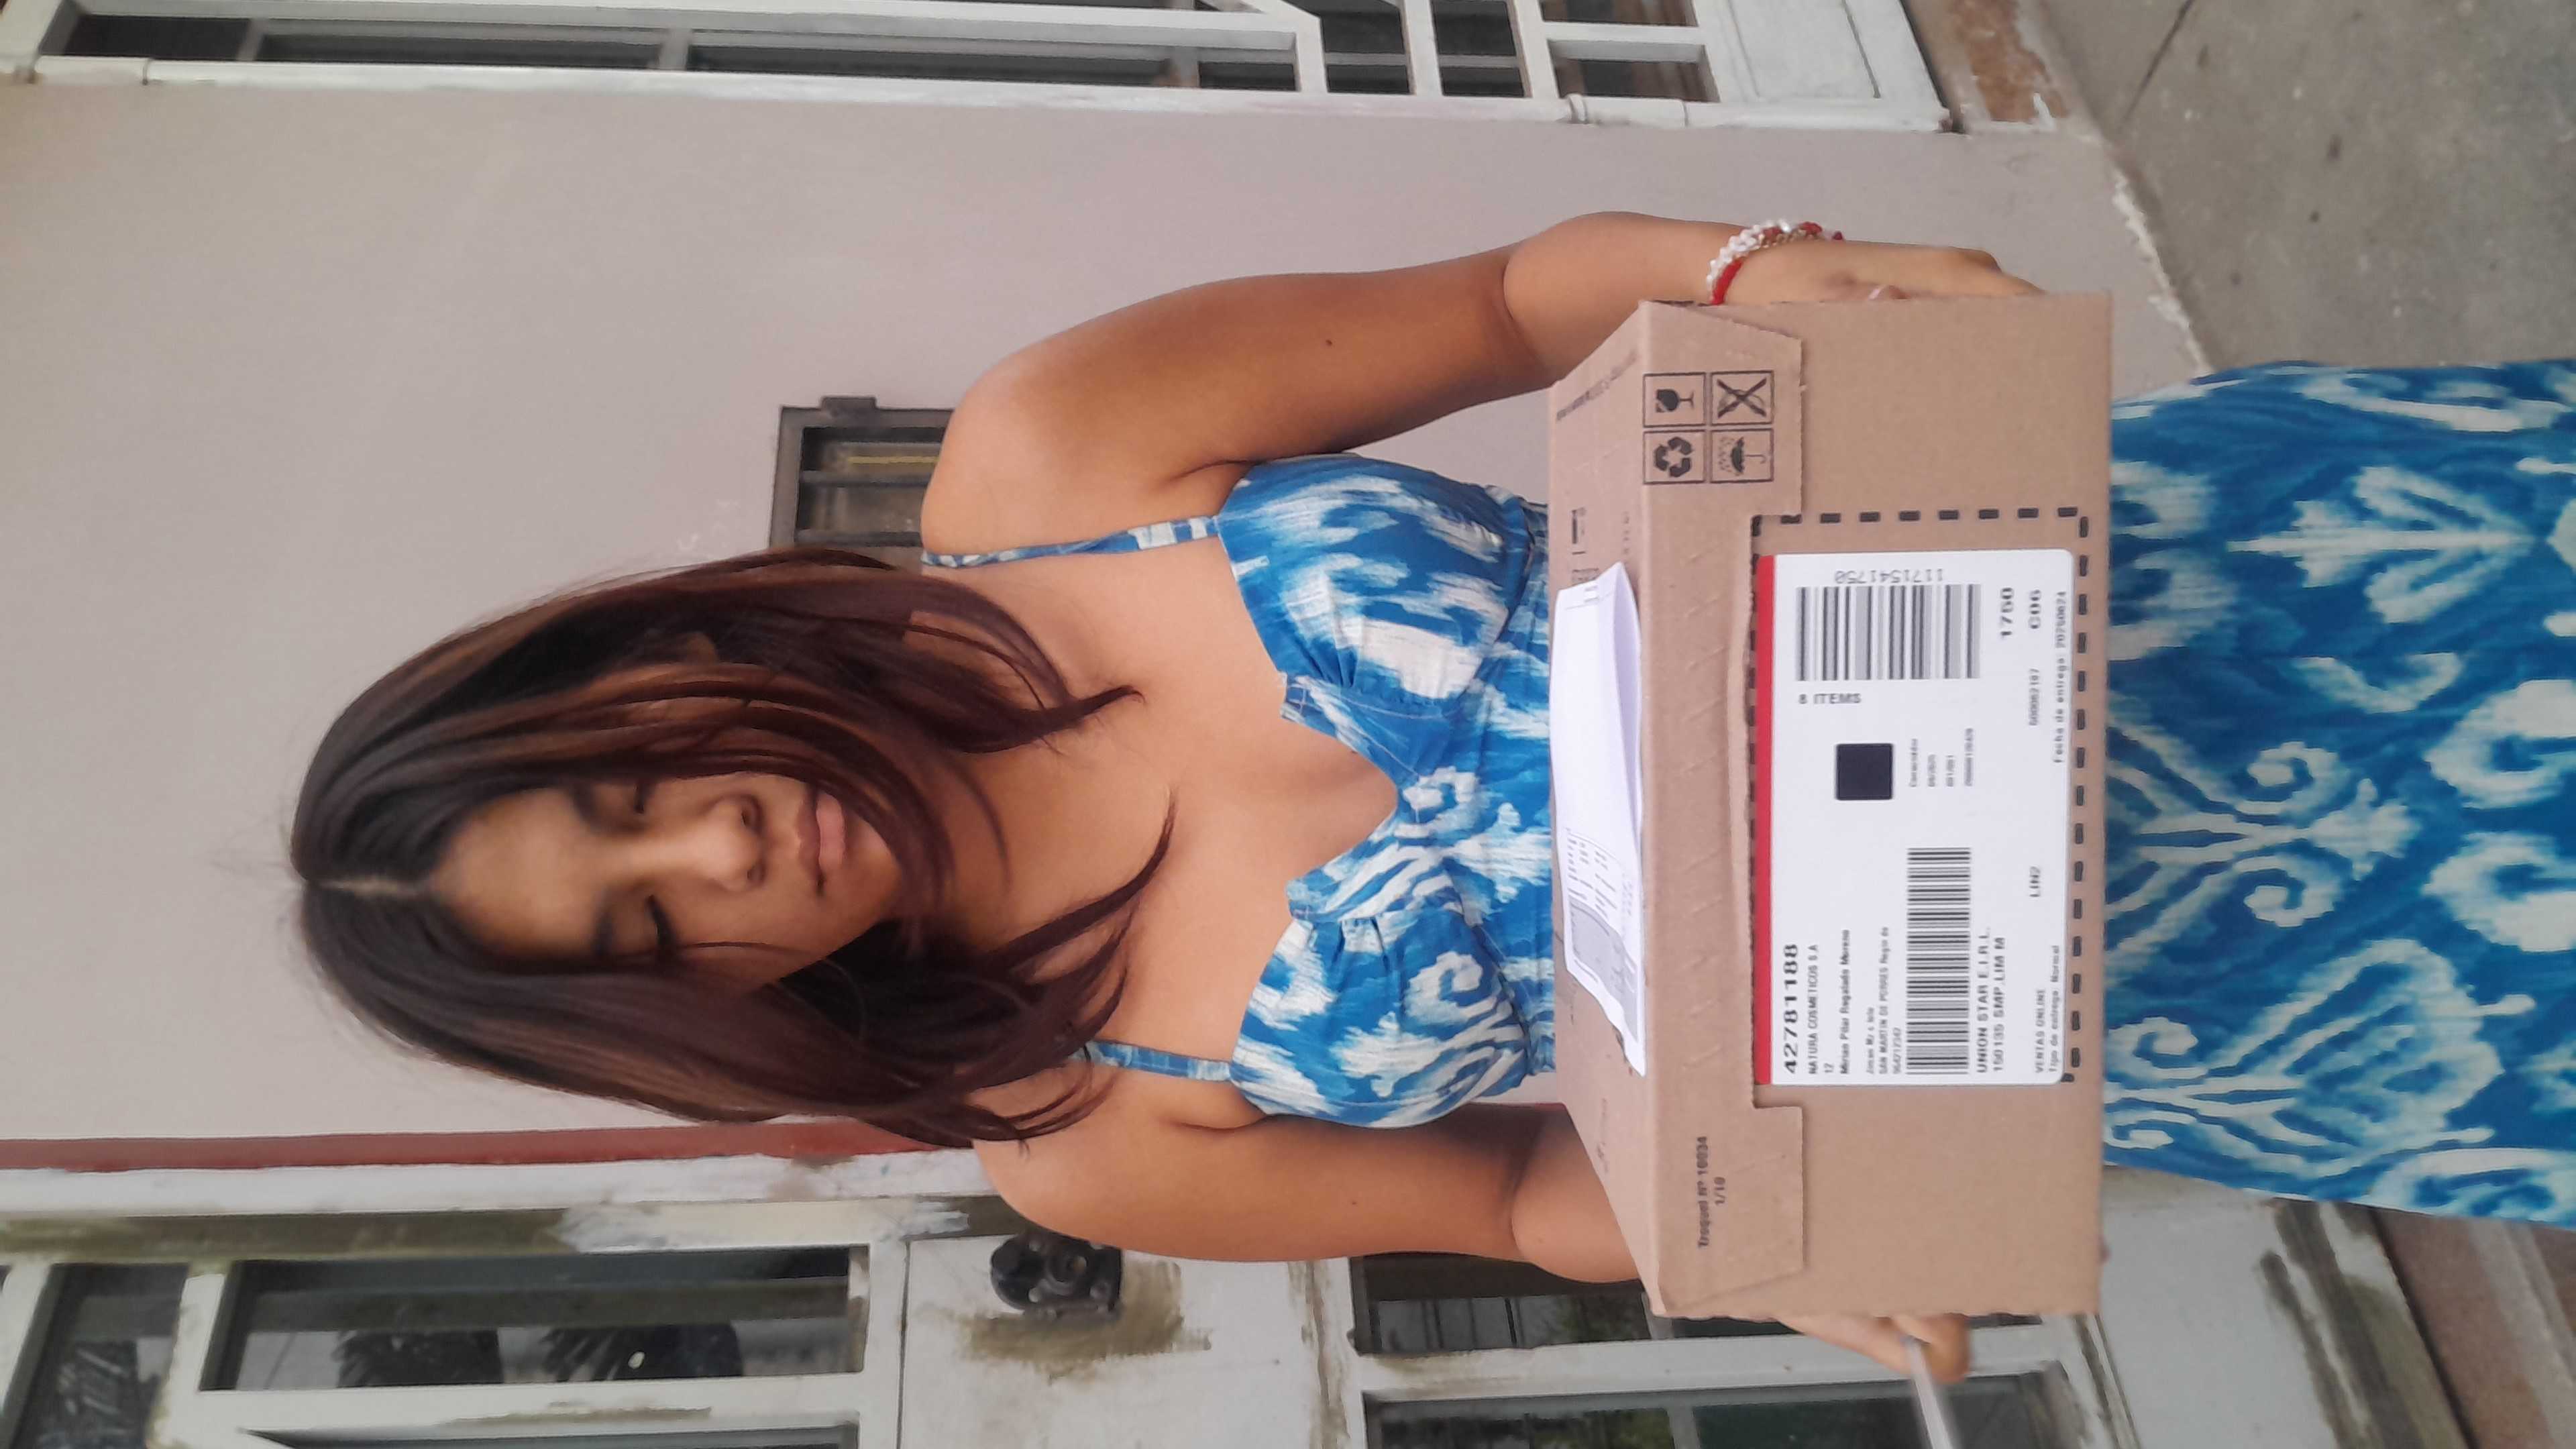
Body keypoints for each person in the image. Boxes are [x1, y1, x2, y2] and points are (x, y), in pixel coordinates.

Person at [292, 212, 2576, 1385]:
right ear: (687, 1021)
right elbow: (1511, 1197)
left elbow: (1506, 303)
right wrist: (1757, 1242)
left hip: (2226, 579)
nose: (716, 849)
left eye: (634, 788)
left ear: (648, 673)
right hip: (2248, 987)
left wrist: (1754, 272)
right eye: (648, 930)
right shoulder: (1085, 1132)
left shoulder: (1050, 463)